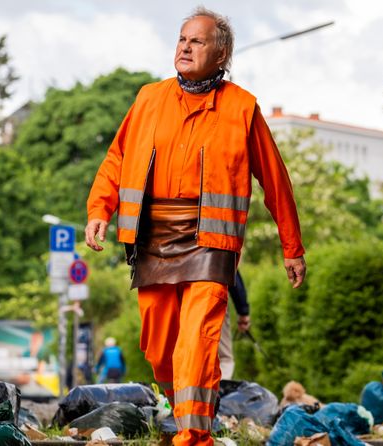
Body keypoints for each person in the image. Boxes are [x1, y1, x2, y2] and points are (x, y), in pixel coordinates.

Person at [85, 7, 306, 445]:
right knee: (159, 348)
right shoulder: (149, 98)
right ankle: (183, 412)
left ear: (221, 54)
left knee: (197, 343)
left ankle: (194, 435)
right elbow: (117, 158)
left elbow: (275, 180)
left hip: (211, 244)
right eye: (182, 39)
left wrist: (292, 246)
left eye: (197, 41)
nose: (185, 47)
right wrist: (99, 209)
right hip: (152, 240)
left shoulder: (242, 108)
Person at [219, 270, 250, 380]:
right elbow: (231, 272)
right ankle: (221, 389)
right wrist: (243, 311)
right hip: (212, 297)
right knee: (224, 359)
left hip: (179, 300)